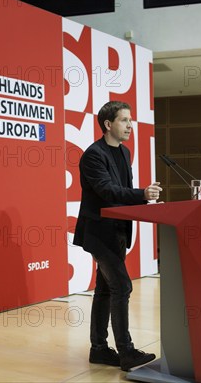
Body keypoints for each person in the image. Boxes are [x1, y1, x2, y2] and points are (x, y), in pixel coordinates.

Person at [73, 101, 161, 372]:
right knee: (122, 286)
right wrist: (141, 194)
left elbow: (123, 189)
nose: (130, 125)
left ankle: (98, 348)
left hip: (118, 229)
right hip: (99, 231)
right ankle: (126, 352)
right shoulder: (93, 155)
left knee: (105, 289)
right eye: (124, 120)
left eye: (131, 120)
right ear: (108, 124)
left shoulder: (124, 152)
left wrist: (143, 200)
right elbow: (107, 190)